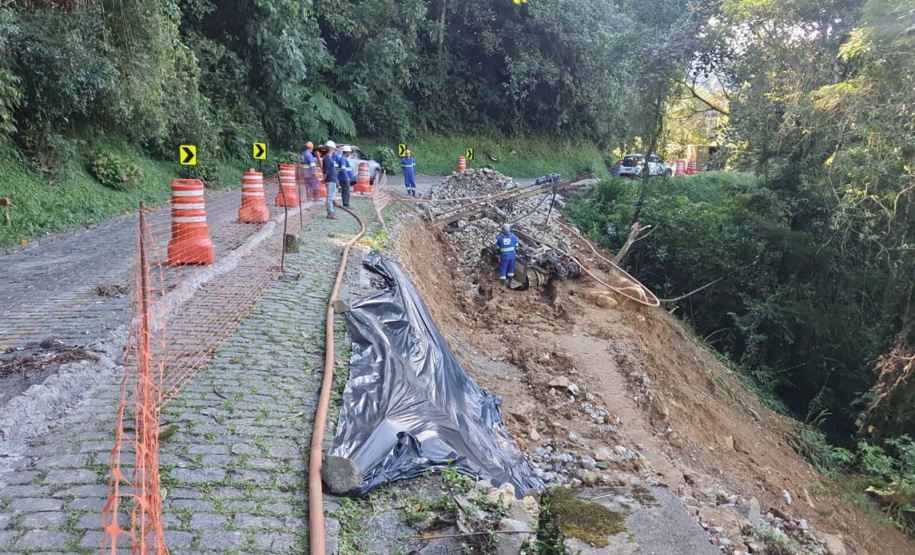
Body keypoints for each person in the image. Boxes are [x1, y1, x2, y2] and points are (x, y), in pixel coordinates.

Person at [496, 223, 518, 289]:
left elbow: (498, 248)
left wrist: (499, 254)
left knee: (503, 269)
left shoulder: (500, 238)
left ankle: (503, 285)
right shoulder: (514, 237)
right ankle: (510, 282)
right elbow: (516, 246)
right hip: (512, 256)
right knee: (511, 269)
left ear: (502, 230)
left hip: (504, 256)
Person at [322, 141, 338, 219]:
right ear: (332, 149)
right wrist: (324, 179)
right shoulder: (327, 159)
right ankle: (330, 212)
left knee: (331, 196)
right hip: (330, 180)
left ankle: (331, 211)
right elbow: (326, 171)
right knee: (330, 197)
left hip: (332, 180)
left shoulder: (327, 158)